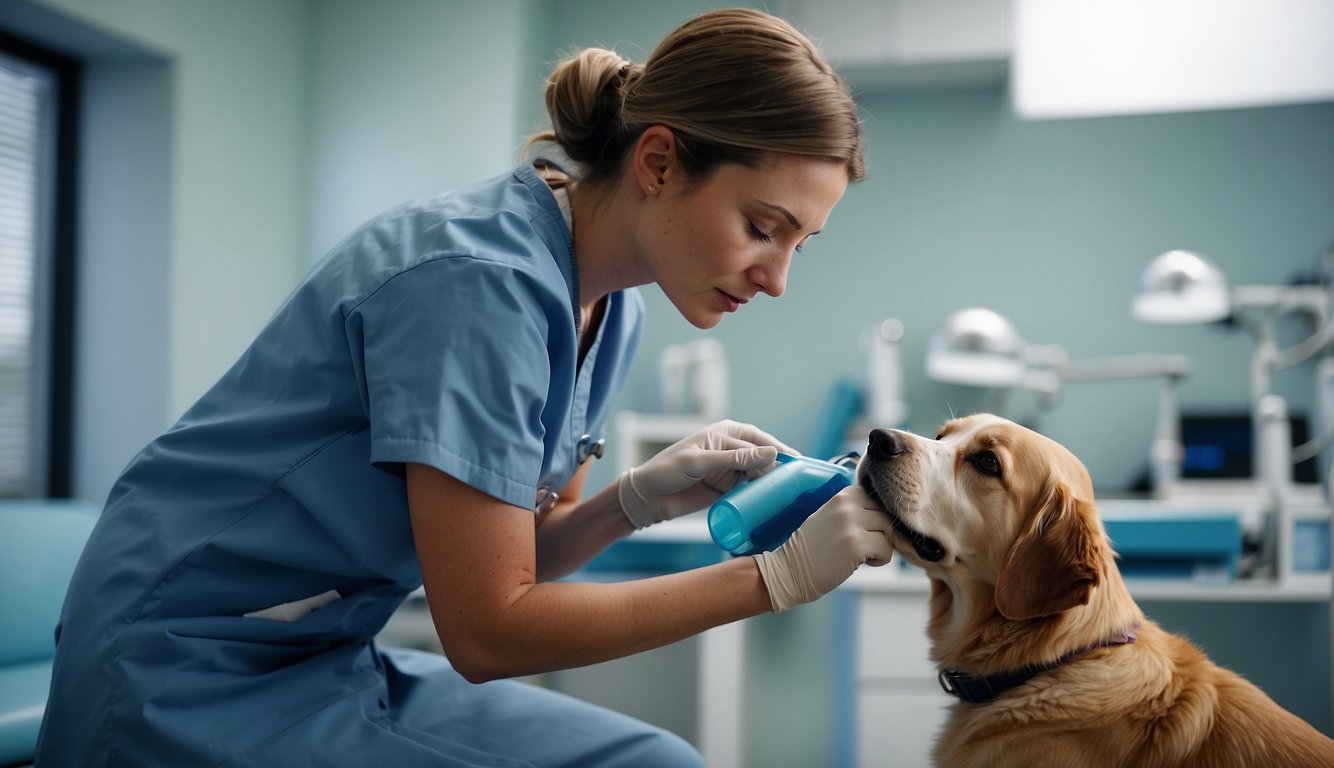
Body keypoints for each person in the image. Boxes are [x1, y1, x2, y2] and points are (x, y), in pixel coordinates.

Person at [36, 7, 892, 767]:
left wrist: (630, 502)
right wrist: (773, 580)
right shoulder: (477, 284)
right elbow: (487, 631)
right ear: (660, 161)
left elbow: (522, 554)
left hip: (321, 656)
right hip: (183, 663)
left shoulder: (610, 308)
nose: (776, 278)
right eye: (762, 228)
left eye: (799, 246)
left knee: (648, 755)